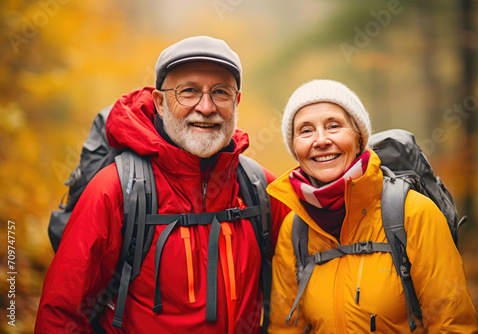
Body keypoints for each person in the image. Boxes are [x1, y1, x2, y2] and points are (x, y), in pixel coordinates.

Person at [35, 36, 289, 333]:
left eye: (220, 92)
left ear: (236, 102)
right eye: (189, 91)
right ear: (159, 102)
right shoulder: (117, 189)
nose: (206, 107)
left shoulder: (260, 188)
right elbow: (62, 314)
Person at [267, 79, 478, 333]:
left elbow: (452, 325)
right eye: (305, 131)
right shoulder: (295, 228)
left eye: (334, 126)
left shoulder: (413, 213)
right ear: (295, 147)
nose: (321, 140)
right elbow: (285, 328)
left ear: (359, 138)